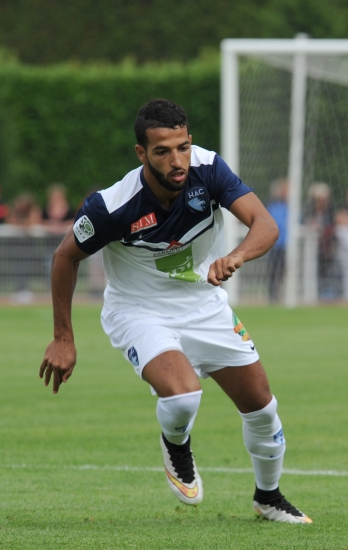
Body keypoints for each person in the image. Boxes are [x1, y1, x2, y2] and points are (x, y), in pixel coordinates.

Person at [38, 99, 311, 524]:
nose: (177, 160)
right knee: (184, 395)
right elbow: (63, 257)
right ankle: (176, 444)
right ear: (141, 153)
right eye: (163, 151)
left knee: (262, 407)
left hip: (204, 306)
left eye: (183, 147)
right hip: (139, 310)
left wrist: (235, 257)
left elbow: (265, 224)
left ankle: (268, 496)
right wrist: (63, 338)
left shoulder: (210, 170)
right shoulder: (111, 206)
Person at [303, 182, 340, 300]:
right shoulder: (308, 212)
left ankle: (328, 297)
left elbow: (333, 228)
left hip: (327, 250)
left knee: (328, 275)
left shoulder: (330, 213)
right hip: (310, 251)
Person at [7, 193, 43, 304]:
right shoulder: (15, 212)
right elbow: (11, 222)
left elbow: (31, 224)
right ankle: (19, 290)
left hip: (28, 246)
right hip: (15, 246)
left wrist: (23, 224)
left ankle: (25, 290)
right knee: (17, 269)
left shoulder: (33, 211)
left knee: (27, 267)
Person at [265, 178, 288, 304]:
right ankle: (273, 296)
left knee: (285, 272)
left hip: (287, 245)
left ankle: (283, 295)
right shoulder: (273, 206)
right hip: (276, 245)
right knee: (274, 272)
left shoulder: (291, 207)